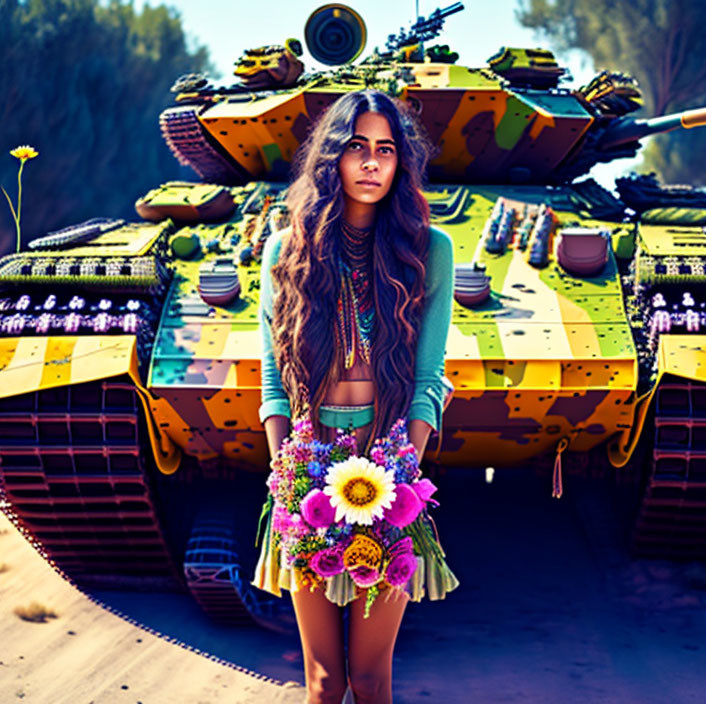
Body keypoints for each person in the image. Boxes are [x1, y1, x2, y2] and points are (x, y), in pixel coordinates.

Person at [251, 89, 459, 704]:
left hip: (392, 472)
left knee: (371, 680)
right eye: (356, 148)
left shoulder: (429, 251)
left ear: (400, 164)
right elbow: (273, 381)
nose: (371, 163)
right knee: (321, 682)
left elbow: (428, 381)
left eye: (386, 150)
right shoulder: (285, 251)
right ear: (332, 159)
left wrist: (401, 470)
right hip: (306, 473)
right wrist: (286, 472)